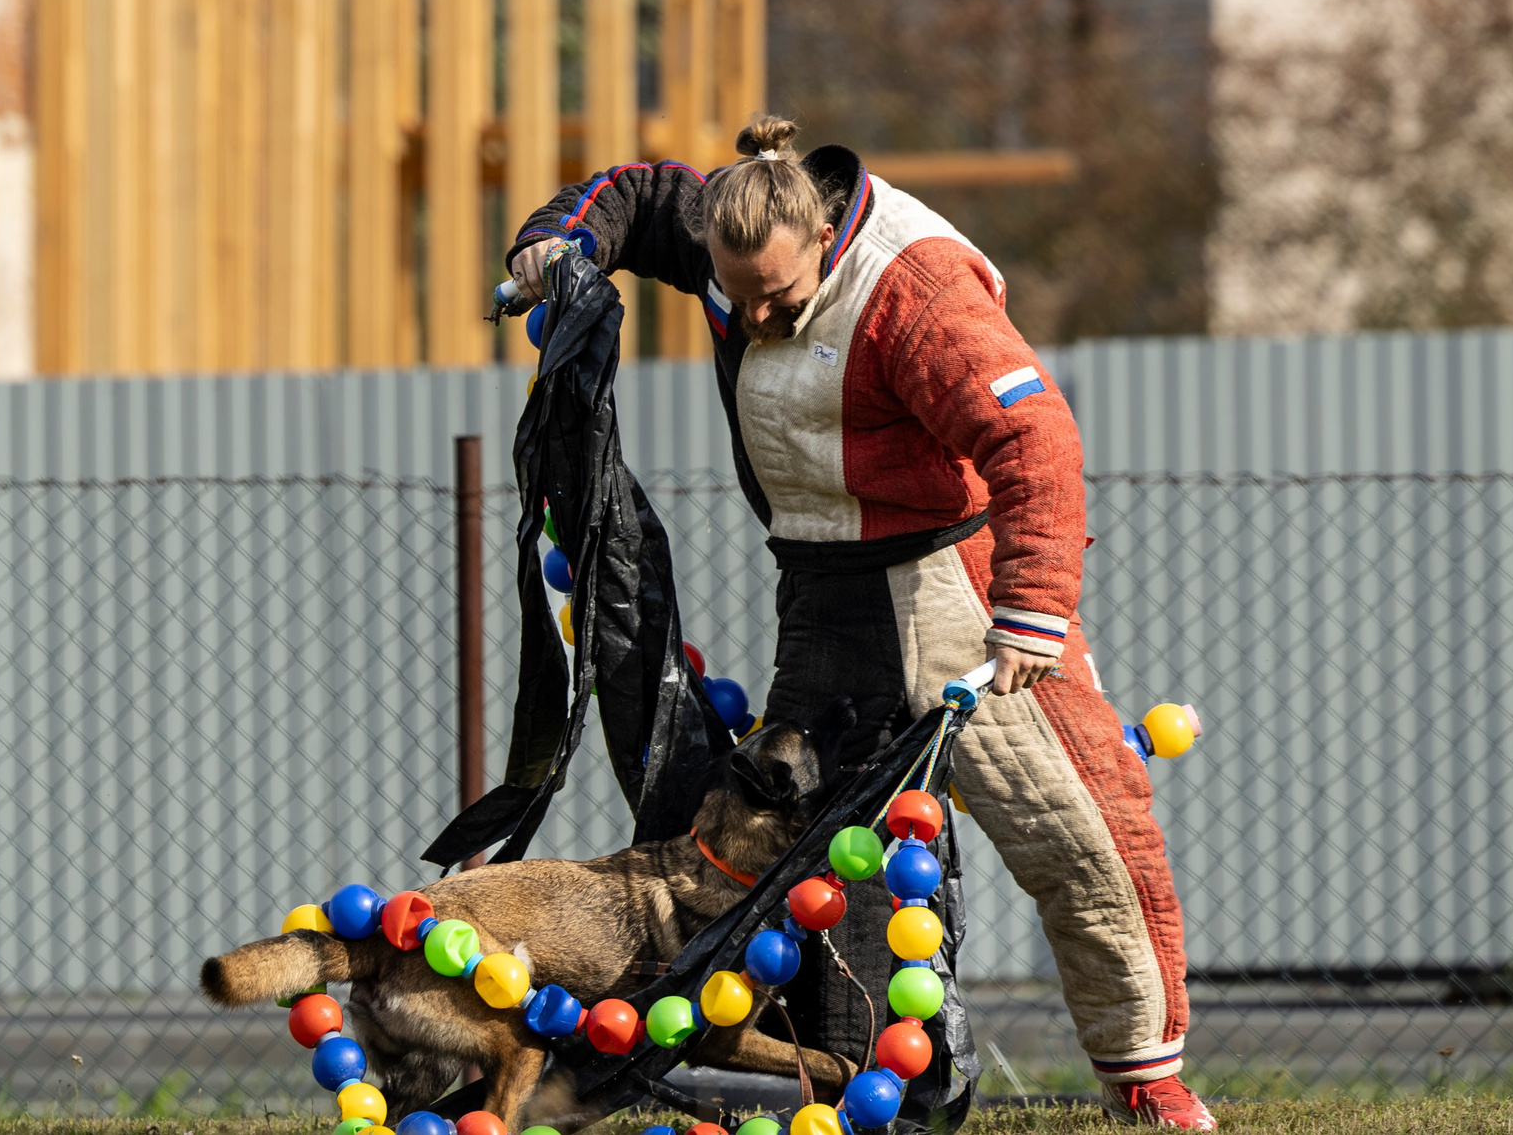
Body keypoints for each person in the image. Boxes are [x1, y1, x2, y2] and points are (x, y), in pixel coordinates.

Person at [502, 115, 1211, 1130]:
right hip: (820, 597)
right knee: (817, 873)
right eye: (731, 295)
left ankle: (1145, 1078)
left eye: (776, 298)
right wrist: (556, 242)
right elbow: (628, 193)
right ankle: (870, 1093)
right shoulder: (726, 230)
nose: (749, 316)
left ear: (824, 240)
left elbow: (1034, 437)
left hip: (954, 594)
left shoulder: (914, 291)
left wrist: (1032, 612)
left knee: (1080, 832)